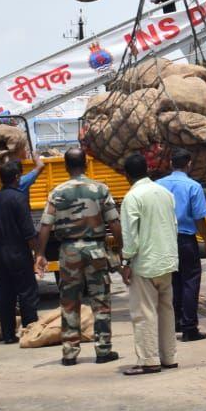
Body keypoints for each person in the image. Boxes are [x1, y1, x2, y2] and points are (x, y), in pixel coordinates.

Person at [35, 147, 122, 366]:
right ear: (85, 165)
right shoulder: (100, 189)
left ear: (66, 167)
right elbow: (114, 222)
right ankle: (103, 350)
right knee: (100, 299)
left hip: (69, 251)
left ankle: (70, 353)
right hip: (95, 249)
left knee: (69, 301)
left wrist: (40, 254)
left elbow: (45, 225)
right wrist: (122, 249)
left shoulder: (57, 192)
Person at [119, 153, 179, 375]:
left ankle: (149, 360)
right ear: (147, 169)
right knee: (166, 310)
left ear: (126, 175)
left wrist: (126, 261)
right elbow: (173, 224)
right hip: (167, 260)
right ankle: (169, 356)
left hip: (145, 263)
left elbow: (130, 237)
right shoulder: (164, 193)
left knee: (144, 313)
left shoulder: (132, 198)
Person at [157, 149, 206, 342]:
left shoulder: (158, 185)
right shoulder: (193, 186)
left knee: (173, 282)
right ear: (188, 164)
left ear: (171, 164)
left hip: (165, 240)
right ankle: (189, 328)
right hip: (186, 239)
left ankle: (175, 322)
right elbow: (199, 218)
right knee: (190, 282)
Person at [0, 161, 41, 344]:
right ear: (17, 177)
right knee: (27, 292)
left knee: (5, 295)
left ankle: (8, 334)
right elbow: (28, 232)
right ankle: (29, 332)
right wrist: (38, 253)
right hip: (18, 253)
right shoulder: (19, 198)